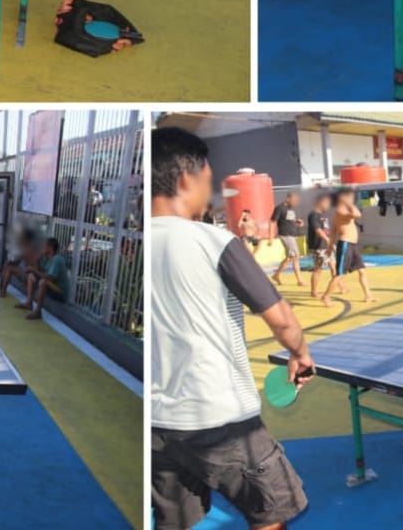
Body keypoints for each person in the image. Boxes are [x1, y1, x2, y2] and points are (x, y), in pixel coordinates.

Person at [150, 128, 313, 530]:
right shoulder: (213, 241)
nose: (209, 192)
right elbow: (281, 318)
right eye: (207, 180)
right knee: (272, 512)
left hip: (157, 426)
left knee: (177, 523)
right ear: (185, 178)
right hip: (220, 418)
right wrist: (300, 354)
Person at [321, 189, 376, 305]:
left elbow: (333, 232)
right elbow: (357, 214)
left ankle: (368, 295)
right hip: (345, 244)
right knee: (340, 274)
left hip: (352, 245)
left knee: (362, 271)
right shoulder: (340, 210)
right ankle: (326, 296)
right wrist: (350, 204)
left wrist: (330, 247)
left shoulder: (341, 211)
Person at [18, 237, 71, 320]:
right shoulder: (46, 258)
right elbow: (39, 272)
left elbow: (50, 277)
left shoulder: (57, 259)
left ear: (50, 247)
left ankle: (38, 312)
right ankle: (29, 303)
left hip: (60, 292)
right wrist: (36, 261)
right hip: (52, 286)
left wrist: (34, 270)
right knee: (31, 276)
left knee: (43, 281)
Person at [271, 192, 305, 287]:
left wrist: (297, 223)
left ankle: (276, 275)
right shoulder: (280, 208)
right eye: (294, 200)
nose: (295, 202)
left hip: (291, 235)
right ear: (288, 199)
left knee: (289, 258)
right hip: (286, 235)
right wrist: (270, 237)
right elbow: (272, 221)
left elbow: (289, 221)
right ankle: (300, 280)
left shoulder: (290, 209)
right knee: (295, 256)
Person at [305, 193, 335, 299]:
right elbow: (317, 230)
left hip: (326, 246)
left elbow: (326, 230)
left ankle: (340, 285)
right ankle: (314, 292)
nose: (328, 206)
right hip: (319, 247)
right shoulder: (314, 215)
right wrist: (328, 240)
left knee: (333, 266)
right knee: (318, 269)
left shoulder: (323, 216)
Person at [0, 224, 43, 296]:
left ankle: (3, 290)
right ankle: (1, 287)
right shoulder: (26, 248)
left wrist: (29, 269)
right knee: (7, 265)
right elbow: (16, 261)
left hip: (31, 276)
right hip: (26, 272)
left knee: (9, 268)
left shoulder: (33, 249)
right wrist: (11, 262)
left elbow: (36, 269)